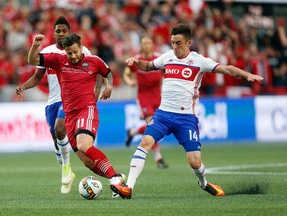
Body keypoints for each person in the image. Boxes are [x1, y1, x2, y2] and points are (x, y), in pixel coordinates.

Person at [110, 23, 264, 199]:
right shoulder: (167, 57)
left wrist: (247, 75)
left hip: (186, 119)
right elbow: (149, 66)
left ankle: (204, 183)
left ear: (188, 42)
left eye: (179, 43)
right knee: (145, 142)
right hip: (163, 115)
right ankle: (128, 187)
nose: (175, 47)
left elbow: (226, 69)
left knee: (195, 162)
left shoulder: (199, 61)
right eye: (173, 42)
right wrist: (136, 62)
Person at [27, 33, 125, 196]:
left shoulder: (94, 61)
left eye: (75, 51)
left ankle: (114, 178)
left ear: (81, 48)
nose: (72, 56)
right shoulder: (58, 60)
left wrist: (109, 87)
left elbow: (107, 73)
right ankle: (117, 177)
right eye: (69, 53)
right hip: (70, 115)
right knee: (87, 161)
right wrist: (35, 45)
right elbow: (32, 60)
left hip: (87, 109)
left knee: (83, 145)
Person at [16, 16, 97, 194]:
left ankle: (66, 169)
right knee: (56, 134)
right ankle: (64, 163)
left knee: (60, 128)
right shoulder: (49, 51)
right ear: (53, 33)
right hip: (53, 101)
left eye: (64, 31)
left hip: (71, 99)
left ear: (69, 32)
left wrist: (93, 94)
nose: (61, 34)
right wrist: (23, 86)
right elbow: (37, 77)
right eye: (58, 31)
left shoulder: (82, 51)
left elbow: (96, 71)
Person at [123, 36, 168, 169]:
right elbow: (127, 73)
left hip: (157, 96)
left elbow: (167, 72)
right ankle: (158, 158)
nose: (147, 45)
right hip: (144, 97)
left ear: (152, 44)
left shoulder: (159, 58)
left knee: (158, 125)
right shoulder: (137, 59)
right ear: (141, 45)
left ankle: (133, 132)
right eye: (144, 43)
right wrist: (129, 81)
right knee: (152, 124)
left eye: (149, 43)